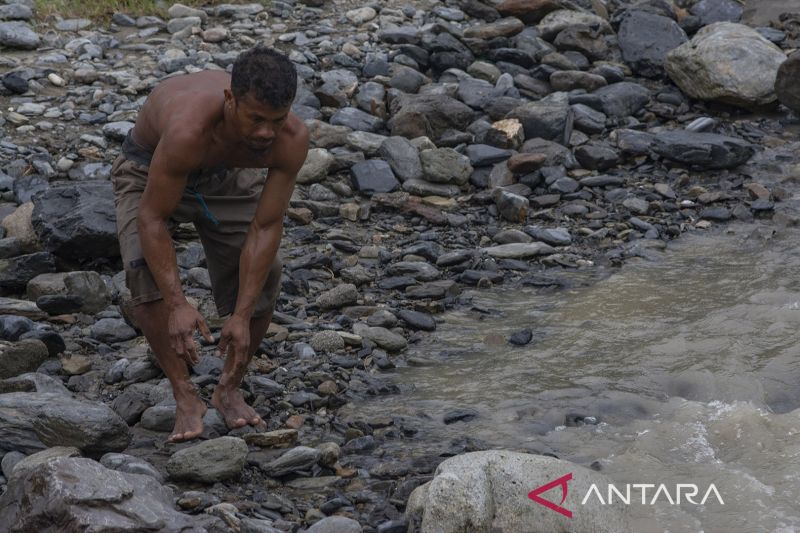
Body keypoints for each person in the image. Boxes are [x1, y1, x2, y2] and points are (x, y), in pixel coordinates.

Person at [111, 45, 309, 442]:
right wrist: (178, 304)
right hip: (151, 167)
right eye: (255, 118)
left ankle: (228, 389)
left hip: (227, 175)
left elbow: (266, 226)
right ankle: (185, 395)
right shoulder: (189, 130)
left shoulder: (290, 139)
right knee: (143, 274)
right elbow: (151, 219)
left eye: (276, 119)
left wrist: (241, 313)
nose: (265, 132)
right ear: (230, 100)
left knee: (266, 274)